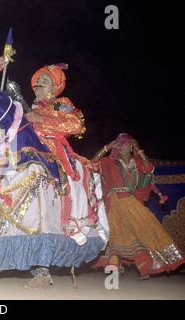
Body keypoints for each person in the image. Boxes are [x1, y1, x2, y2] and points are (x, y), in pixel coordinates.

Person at [23, 63, 107, 289]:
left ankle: (43, 270)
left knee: (46, 213)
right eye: (37, 82)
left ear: (54, 86)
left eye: (45, 81)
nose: (39, 84)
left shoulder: (62, 104)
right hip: (31, 158)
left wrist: (42, 120)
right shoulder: (28, 107)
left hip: (56, 158)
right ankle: (34, 263)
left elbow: (76, 124)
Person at [91, 133, 184, 278]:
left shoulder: (138, 163)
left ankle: (146, 265)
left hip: (133, 203)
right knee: (118, 234)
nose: (121, 147)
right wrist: (106, 147)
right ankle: (115, 266)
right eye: (118, 144)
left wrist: (139, 149)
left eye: (125, 144)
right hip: (113, 203)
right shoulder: (109, 162)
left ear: (131, 145)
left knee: (141, 233)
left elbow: (149, 169)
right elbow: (92, 163)